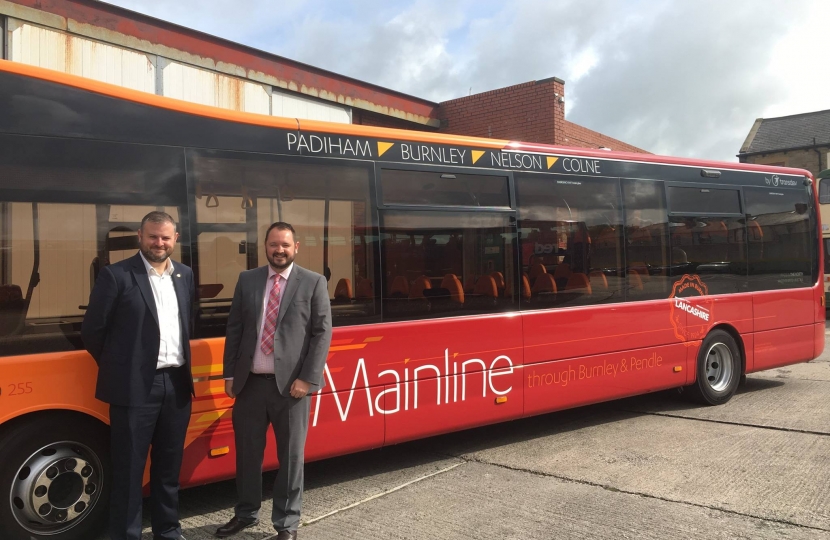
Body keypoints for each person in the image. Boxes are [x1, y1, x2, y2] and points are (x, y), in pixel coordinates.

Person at [81, 211, 194, 540]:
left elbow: (187, 324)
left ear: (175, 240)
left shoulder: (184, 275)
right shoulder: (116, 276)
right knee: (129, 471)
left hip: (176, 385)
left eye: (165, 237)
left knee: (168, 468)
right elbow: (93, 331)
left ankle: (168, 531)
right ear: (140, 237)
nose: (158, 243)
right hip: (133, 389)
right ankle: (126, 534)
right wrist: (123, 367)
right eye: (152, 236)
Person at [216, 222, 332, 540]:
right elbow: (235, 328)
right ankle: (246, 514)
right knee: (247, 455)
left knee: (291, 459)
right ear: (264, 246)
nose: (278, 250)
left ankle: (287, 523)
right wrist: (229, 374)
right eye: (273, 244)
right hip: (250, 384)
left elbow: (322, 334)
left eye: (285, 245)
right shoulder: (248, 280)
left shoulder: (313, 282)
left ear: (296, 248)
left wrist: (307, 379)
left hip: (292, 389)